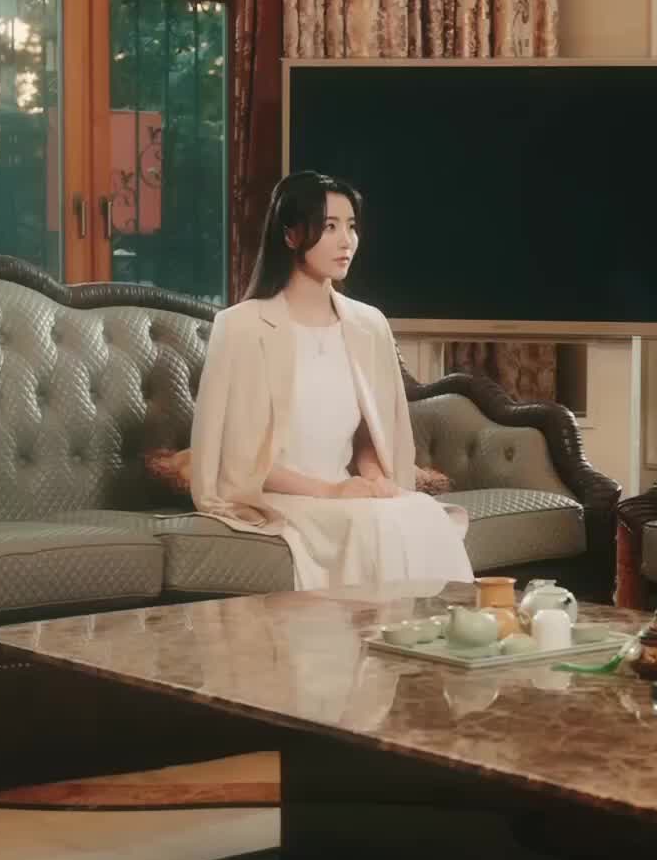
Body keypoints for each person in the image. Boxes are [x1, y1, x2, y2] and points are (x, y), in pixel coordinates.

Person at [191, 170, 473, 595]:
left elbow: (369, 436)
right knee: (371, 525)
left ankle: (437, 635)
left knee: (421, 513)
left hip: (345, 493)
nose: (347, 241)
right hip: (284, 497)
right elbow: (240, 463)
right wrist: (332, 491)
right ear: (290, 235)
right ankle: (367, 634)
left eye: (351, 226)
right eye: (329, 227)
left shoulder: (368, 324)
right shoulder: (241, 327)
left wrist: (374, 478)